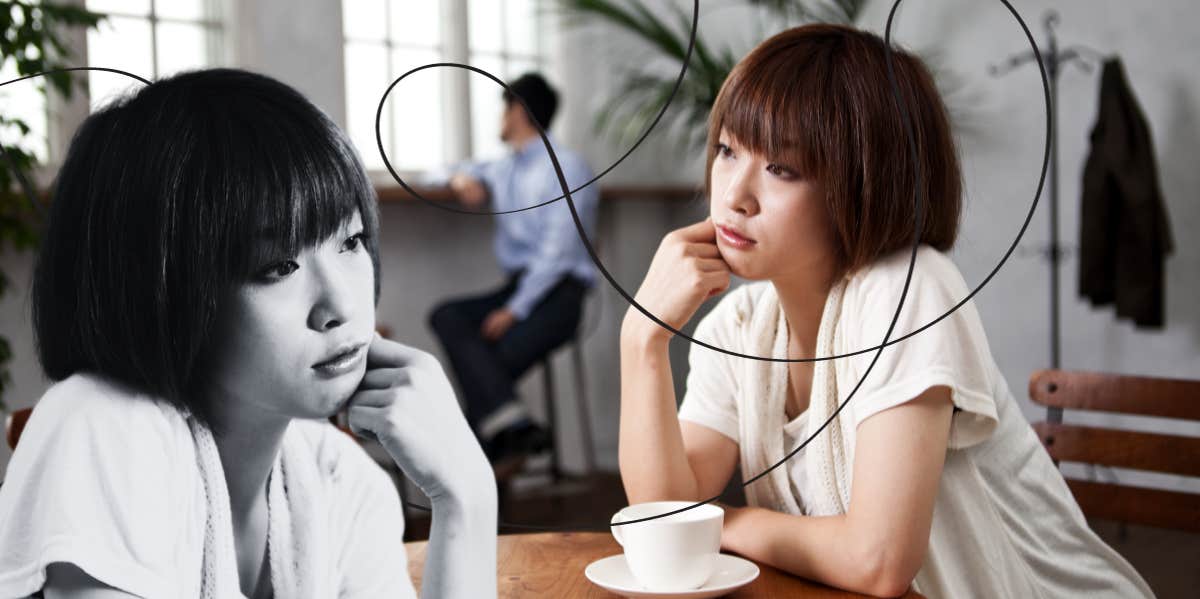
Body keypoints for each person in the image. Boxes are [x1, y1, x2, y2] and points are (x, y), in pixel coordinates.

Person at [618, 25, 1154, 599]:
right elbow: (665, 523)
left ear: (863, 184)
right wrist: (641, 341)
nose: (734, 195)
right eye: (727, 151)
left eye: (782, 169)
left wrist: (725, 522)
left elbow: (879, 561)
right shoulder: (741, 326)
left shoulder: (909, 291)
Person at [0, 69, 497, 599]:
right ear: (163, 291)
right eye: (279, 266)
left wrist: (466, 495)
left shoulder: (340, 480)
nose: (340, 306)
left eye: (350, 242)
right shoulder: (102, 425)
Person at [429, 73, 600, 467]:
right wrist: (458, 178)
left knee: (486, 368)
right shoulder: (503, 168)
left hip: (560, 295)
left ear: (518, 111)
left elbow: (557, 256)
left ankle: (485, 476)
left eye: (503, 109)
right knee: (447, 316)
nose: (499, 119)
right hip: (517, 286)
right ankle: (513, 429)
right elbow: (438, 170)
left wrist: (514, 311)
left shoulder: (567, 167)